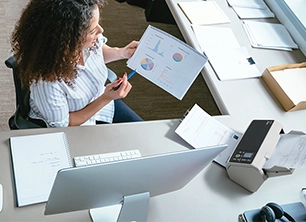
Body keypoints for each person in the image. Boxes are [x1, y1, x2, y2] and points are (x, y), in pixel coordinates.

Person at [10, 0, 143, 127]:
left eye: (98, 23)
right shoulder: (47, 82)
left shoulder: (89, 41)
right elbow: (65, 124)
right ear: (68, 37)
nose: (100, 30)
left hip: (101, 102)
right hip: (77, 122)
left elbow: (99, 51)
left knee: (146, 134)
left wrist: (123, 52)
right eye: (92, 30)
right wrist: (106, 98)